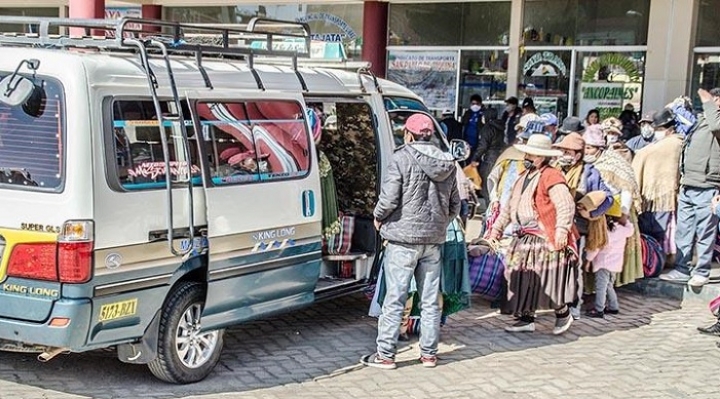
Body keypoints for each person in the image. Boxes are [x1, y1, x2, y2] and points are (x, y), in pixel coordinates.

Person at [363, 113, 460, 370]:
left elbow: (389, 199)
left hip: (403, 239)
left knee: (395, 297)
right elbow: (455, 205)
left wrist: (378, 217)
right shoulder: (448, 162)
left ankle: (385, 355)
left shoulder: (401, 158)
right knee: (429, 301)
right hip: (433, 240)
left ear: (408, 134)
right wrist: (438, 223)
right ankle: (429, 354)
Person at [488, 133, 578, 335]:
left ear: (542, 157)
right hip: (524, 235)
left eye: (532, 155)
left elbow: (565, 204)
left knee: (547, 278)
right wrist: (496, 229)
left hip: (545, 235)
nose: (528, 157)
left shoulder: (551, 176)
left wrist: (562, 229)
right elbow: (508, 207)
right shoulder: (522, 178)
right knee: (521, 278)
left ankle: (563, 313)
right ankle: (526, 318)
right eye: (527, 153)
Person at [660, 89, 720, 287]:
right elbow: (684, 122)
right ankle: (681, 269)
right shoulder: (701, 120)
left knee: (705, 233)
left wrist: (709, 103)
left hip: (709, 186)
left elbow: (716, 124)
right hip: (688, 184)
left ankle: (701, 271)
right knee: (683, 231)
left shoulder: (714, 121)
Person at [553, 130, 614, 319]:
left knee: (573, 267)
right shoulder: (555, 169)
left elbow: (608, 198)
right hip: (554, 226)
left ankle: (573, 305)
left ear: (578, 154)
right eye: (562, 151)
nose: (564, 155)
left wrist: (592, 212)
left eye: (568, 152)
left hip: (577, 228)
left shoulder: (590, 173)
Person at [582, 125, 644, 288]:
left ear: (599, 148)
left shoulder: (614, 162)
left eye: (589, 148)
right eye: (584, 148)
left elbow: (627, 188)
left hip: (614, 214)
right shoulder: (585, 164)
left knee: (607, 255)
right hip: (592, 211)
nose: (586, 151)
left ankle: (606, 290)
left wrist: (623, 212)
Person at [632, 108, 683, 258]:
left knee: (656, 230)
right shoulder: (679, 143)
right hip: (666, 196)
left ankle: (653, 259)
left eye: (659, 129)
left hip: (657, 195)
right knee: (665, 231)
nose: (656, 132)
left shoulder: (670, 145)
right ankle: (659, 259)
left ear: (670, 129)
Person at [583, 197, 634, 318]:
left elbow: (595, 248)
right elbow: (631, 230)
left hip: (603, 264)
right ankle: (613, 306)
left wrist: (588, 260)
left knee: (601, 287)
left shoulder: (604, 232)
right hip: (615, 265)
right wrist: (626, 219)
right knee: (609, 286)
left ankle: (599, 309)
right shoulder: (622, 230)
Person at [470, 107, 505, 202]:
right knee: (496, 185)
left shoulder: (488, 128)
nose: (482, 118)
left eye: (483, 116)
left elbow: (483, 146)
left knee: (486, 186)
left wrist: (475, 158)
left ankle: (489, 211)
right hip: (501, 157)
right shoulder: (501, 127)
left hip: (489, 159)